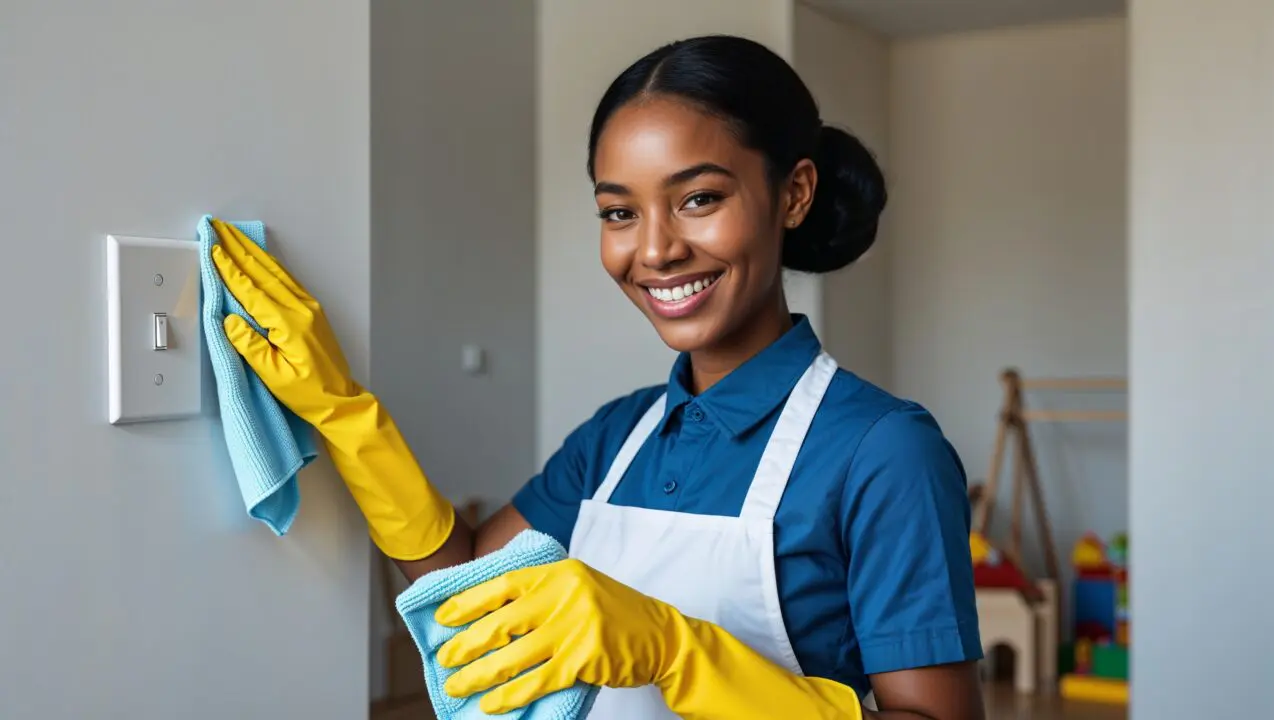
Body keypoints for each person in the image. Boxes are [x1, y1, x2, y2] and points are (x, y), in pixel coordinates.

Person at [209, 34, 985, 720]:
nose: (654, 250)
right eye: (619, 213)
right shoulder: (616, 436)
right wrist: (346, 414)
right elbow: (471, 590)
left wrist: (684, 656)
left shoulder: (884, 451)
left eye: (699, 199)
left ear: (794, 193)